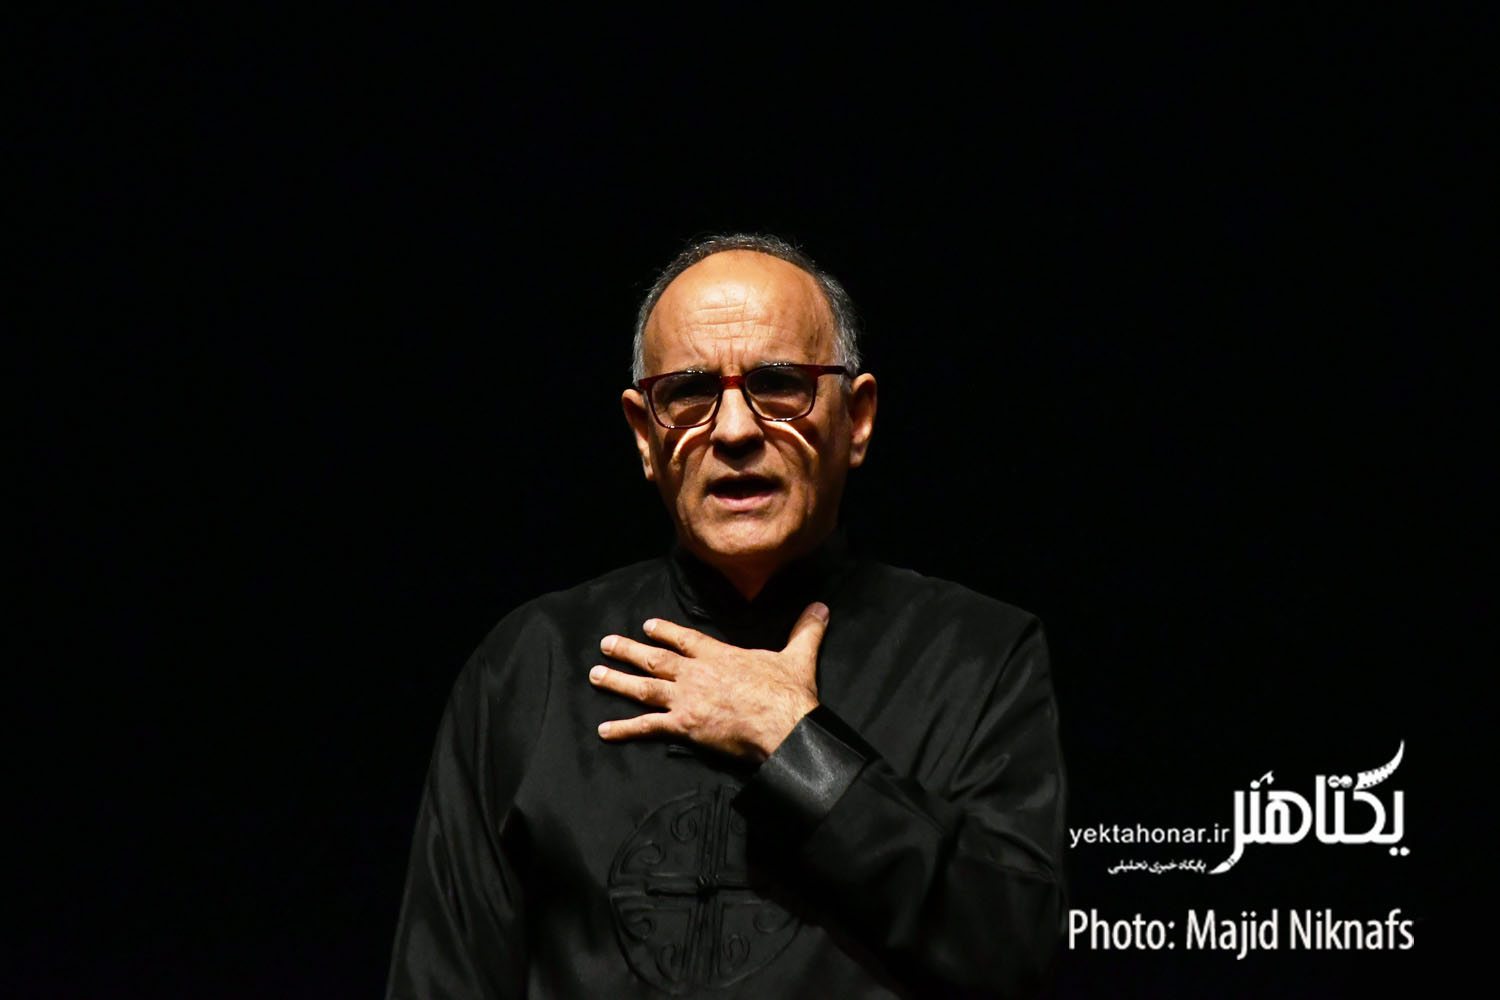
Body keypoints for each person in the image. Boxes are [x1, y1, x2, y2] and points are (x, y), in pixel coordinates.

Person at [386, 234, 1066, 999]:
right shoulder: (528, 667)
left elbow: (1016, 953)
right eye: (689, 392)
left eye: (779, 385)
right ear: (645, 435)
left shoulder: (977, 655)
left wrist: (795, 743)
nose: (735, 430)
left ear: (858, 418)